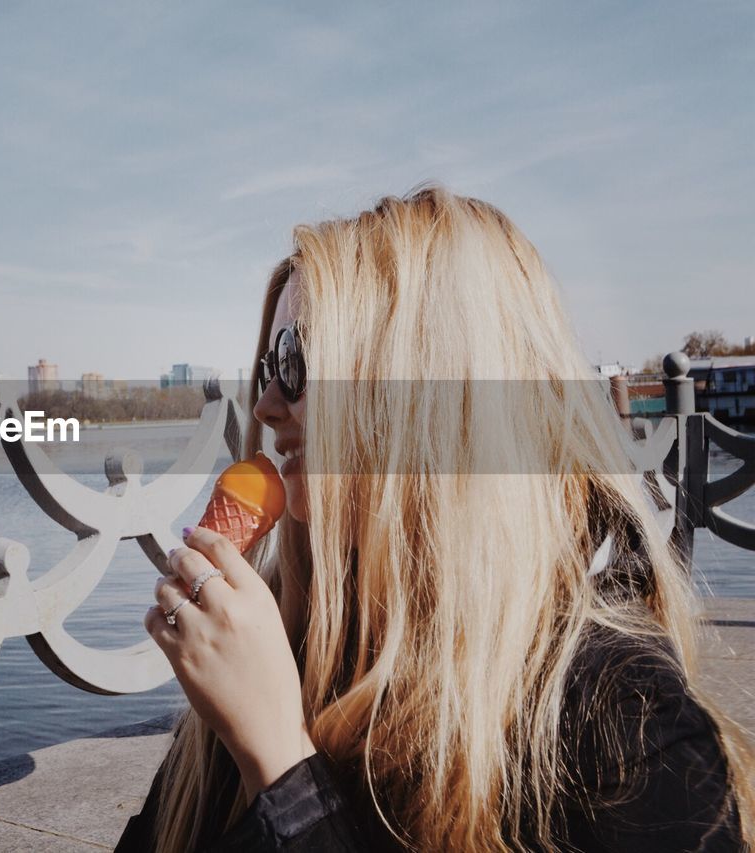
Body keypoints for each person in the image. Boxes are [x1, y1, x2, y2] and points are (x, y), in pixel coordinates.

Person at [116, 187, 753, 851]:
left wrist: (278, 762)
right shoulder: (285, 642)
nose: (270, 403)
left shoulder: (627, 725)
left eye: (301, 361)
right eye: (272, 364)